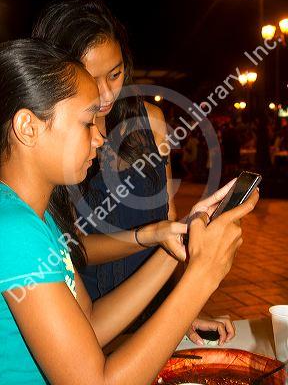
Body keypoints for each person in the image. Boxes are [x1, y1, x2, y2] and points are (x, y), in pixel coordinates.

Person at [0, 38, 259, 384]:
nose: (100, 138)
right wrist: (203, 275)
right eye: (87, 123)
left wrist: (174, 246)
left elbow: (89, 323)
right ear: (28, 127)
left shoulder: (38, 218)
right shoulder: (14, 229)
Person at [32, 0, 179, 300]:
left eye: (115, 74)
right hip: (95, 307)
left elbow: (169, 220)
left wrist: (183, 306)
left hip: (154, 300)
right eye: (90, 79)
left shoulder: (150, 122)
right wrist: (145, 236)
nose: (106, 94)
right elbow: (68, 247)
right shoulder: (50, 139)